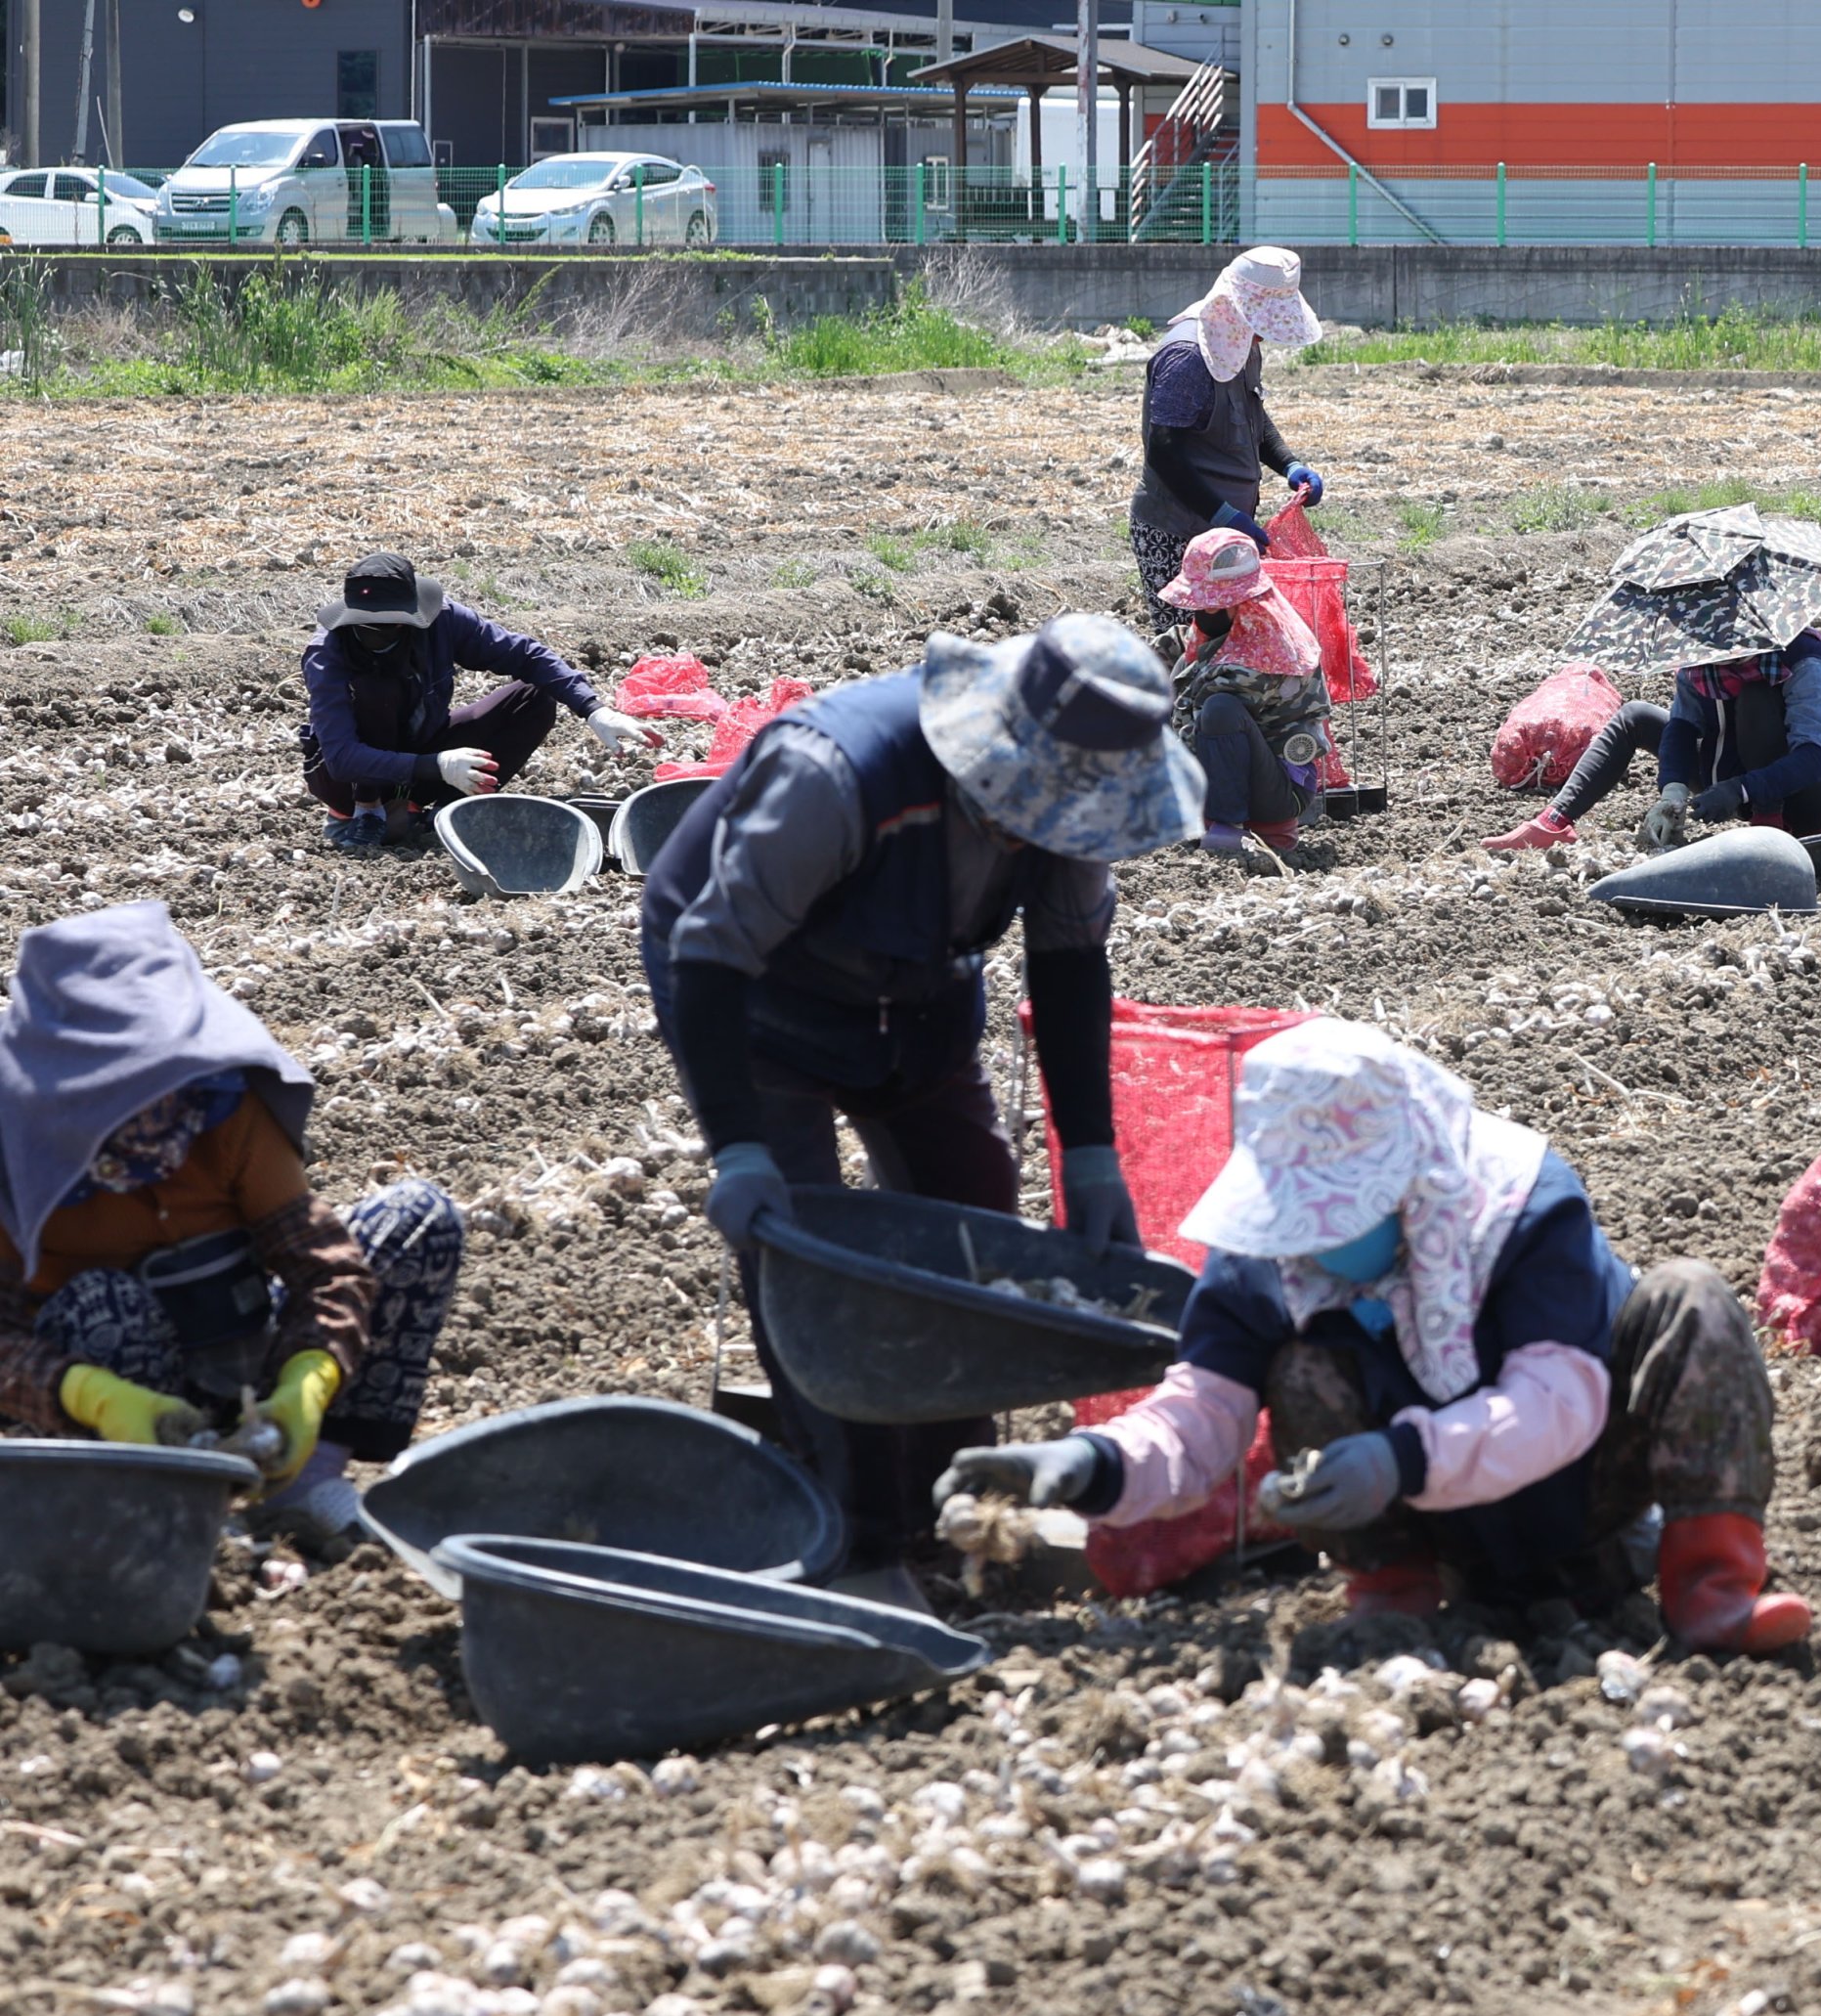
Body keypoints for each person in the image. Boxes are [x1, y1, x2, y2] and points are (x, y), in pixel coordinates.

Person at [934, 1019, 1813, 1652]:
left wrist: (1402, 1458)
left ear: (1409, 1177)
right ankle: (1391, 1587)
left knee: (1691, 1296)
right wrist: (1090, 1466)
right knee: (1302, 1361)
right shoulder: (1265, 1256)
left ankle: (1709, 1581)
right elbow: (1202, 1408)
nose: (1316, 1240)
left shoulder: (1521, 1206)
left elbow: (1561, 1402)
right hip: (1427, 1526)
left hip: (1585, 1491)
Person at [639, 613, 1201, 1546]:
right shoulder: (834, 775)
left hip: (919, 985)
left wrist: (1093, 1151)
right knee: (812, 1259)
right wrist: (739, 1146)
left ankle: (954, 1495)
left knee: (974, 1216)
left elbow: (1067, 966)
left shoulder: (1067, 809)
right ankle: (861, 1535)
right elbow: (712, 950)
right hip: (755, 992)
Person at [0, 901, 464, 1540]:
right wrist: (92, 1396)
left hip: (236, 1341)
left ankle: (299, 1476)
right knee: (101, 1301)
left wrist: (308, 1379)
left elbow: (321, 1265)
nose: (156, 1108)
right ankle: (161, 1509)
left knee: (417, 1220)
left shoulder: (220, 1108)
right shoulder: (13, 1150)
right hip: (104, 1400)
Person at [1483, 507, 1821, 854]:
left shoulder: (1804, 660)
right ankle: (1554, 823)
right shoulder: (1704, 661)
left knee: (1756, 699)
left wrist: (1740, 790)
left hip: (1811, 798)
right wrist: (1674, 792)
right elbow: (1681, 728)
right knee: (1635, 716)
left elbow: (1813, 758)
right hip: (1736, 775)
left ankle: (1771, 830)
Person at [300, 551, 656, 849]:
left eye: (389, 626)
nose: (376, 635)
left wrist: (594, 710)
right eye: (366, 628)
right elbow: (342, 758)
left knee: (534, 696)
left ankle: (444, 812)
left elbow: (525, 655)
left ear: (410, 620)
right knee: (375, 692)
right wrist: (436, 765)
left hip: (426, 751)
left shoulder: (443, 621)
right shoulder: (327, 655)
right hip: (355, 782)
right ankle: (366, 815)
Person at [1131, 247, 1326, 635]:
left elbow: (1250, 415)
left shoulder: (1241, 344)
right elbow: (1164, 450)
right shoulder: (1188, 355)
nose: (1263, 336)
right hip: (1178, 533)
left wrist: (1289, 464)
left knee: (1232, 651)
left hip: (1226, 532)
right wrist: (1221, 514)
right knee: (1188, 652)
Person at [1152, 527, 1335, 876]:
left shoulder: (1262, 654)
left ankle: (1228, 827)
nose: (1199, 612)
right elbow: (1182, 642)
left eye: (1207, 604)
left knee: (1218, 710)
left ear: (1236, 605)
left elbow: (1191, 727)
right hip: (1242, 769)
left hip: (1279, 791)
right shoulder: (1229, 627)